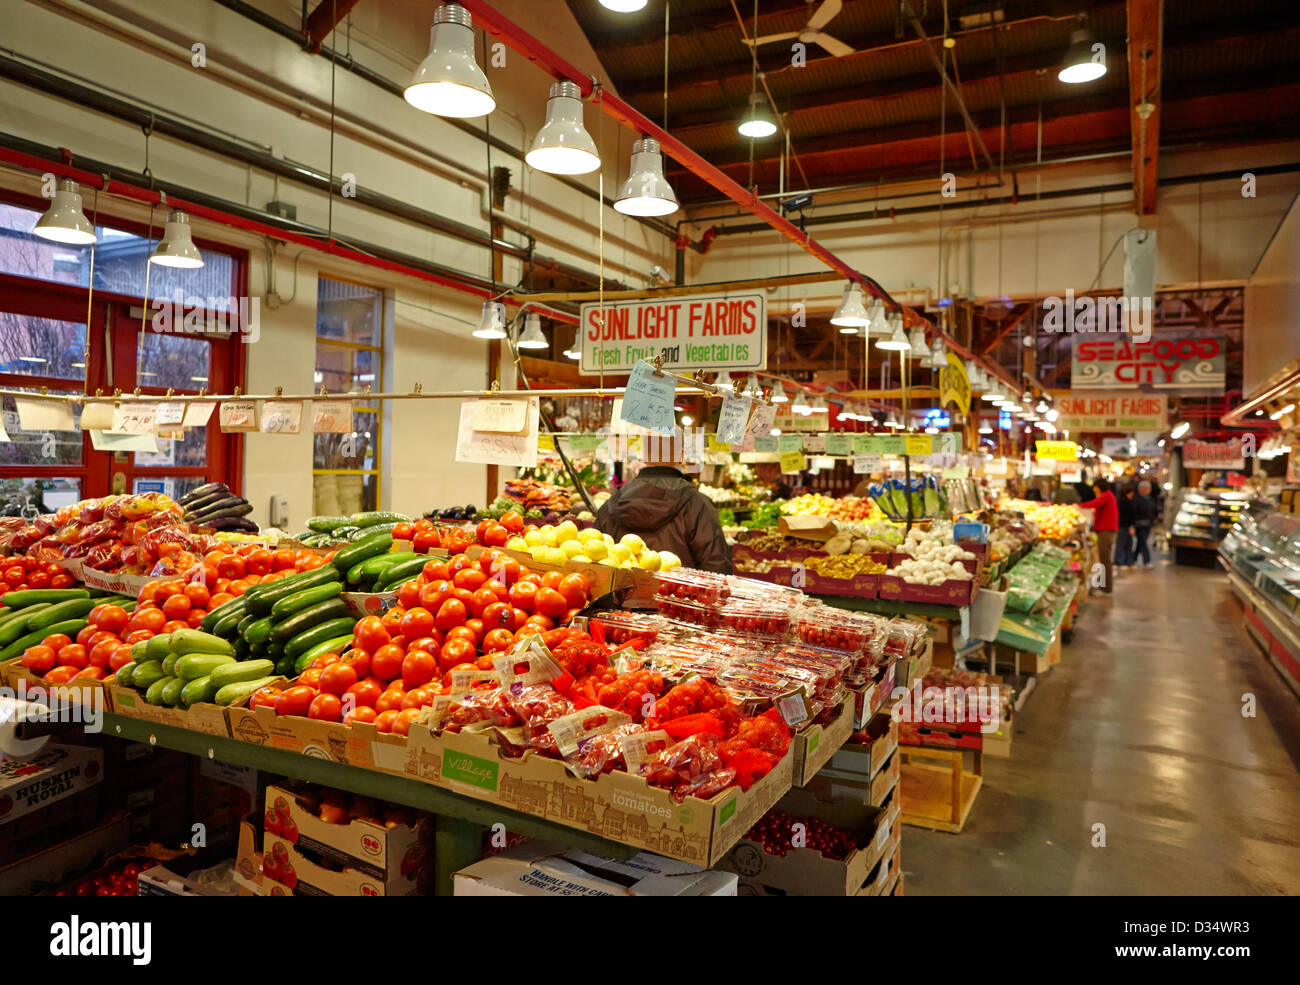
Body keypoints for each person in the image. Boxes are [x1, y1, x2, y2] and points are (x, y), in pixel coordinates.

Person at [596, 435, 733, 574]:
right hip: (677, 593)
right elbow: (717, 567)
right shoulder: (698, 505)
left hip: (621, 594)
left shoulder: (610, 505)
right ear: (681, 457)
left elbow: (593, 559)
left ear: (644, 456)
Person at [1078, 478, 1119, 594]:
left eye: (1094, 487)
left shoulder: (1106, 496)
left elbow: (1095, 504)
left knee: (1104, 559)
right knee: (1103, 559)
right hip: (1105, 530)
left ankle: (1105, 588)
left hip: (1105, 530)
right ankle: (1103, 586)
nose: (1093, 489)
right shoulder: (1108, 495)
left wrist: (1080, 506)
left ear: (1098, 487)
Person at [1133, 479, 1157, 569]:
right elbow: (1134, 512)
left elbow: (1153, 510)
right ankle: (1146, 562)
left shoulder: (1150, 499)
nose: (1148, 490)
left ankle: (1133, 559)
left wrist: (1154, 518)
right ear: (1141, 489)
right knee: (1143, 542)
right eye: (1146, 488)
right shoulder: (1136, 499)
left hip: (1147, 524)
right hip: (1139, 524)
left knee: (1141, 543)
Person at [1115, 484, 1136, 570]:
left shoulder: (1123, 501)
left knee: (1128, 544)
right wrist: (1131, 526)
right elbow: (1126, 516)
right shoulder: (1123, 502)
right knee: (1122, 545)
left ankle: (1126, 562)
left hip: (1125, 526)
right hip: (1123, 526)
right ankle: (1120, 562)